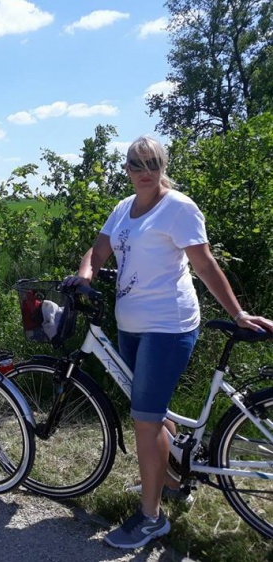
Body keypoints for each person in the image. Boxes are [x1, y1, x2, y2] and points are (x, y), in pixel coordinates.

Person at [63, 135, 273, 550]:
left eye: (152, 164)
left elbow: (204, 262)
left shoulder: (179, 208)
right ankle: (173, 480)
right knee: (152, 412)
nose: (143, 172)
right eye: (136, 164)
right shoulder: (124, 207)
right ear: (126, 168)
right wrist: (86, 272)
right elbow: (100, 248)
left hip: (168, 325)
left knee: (144, 417)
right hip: (131, 324)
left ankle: (150, 518)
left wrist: (237, 313)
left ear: (163, 167)